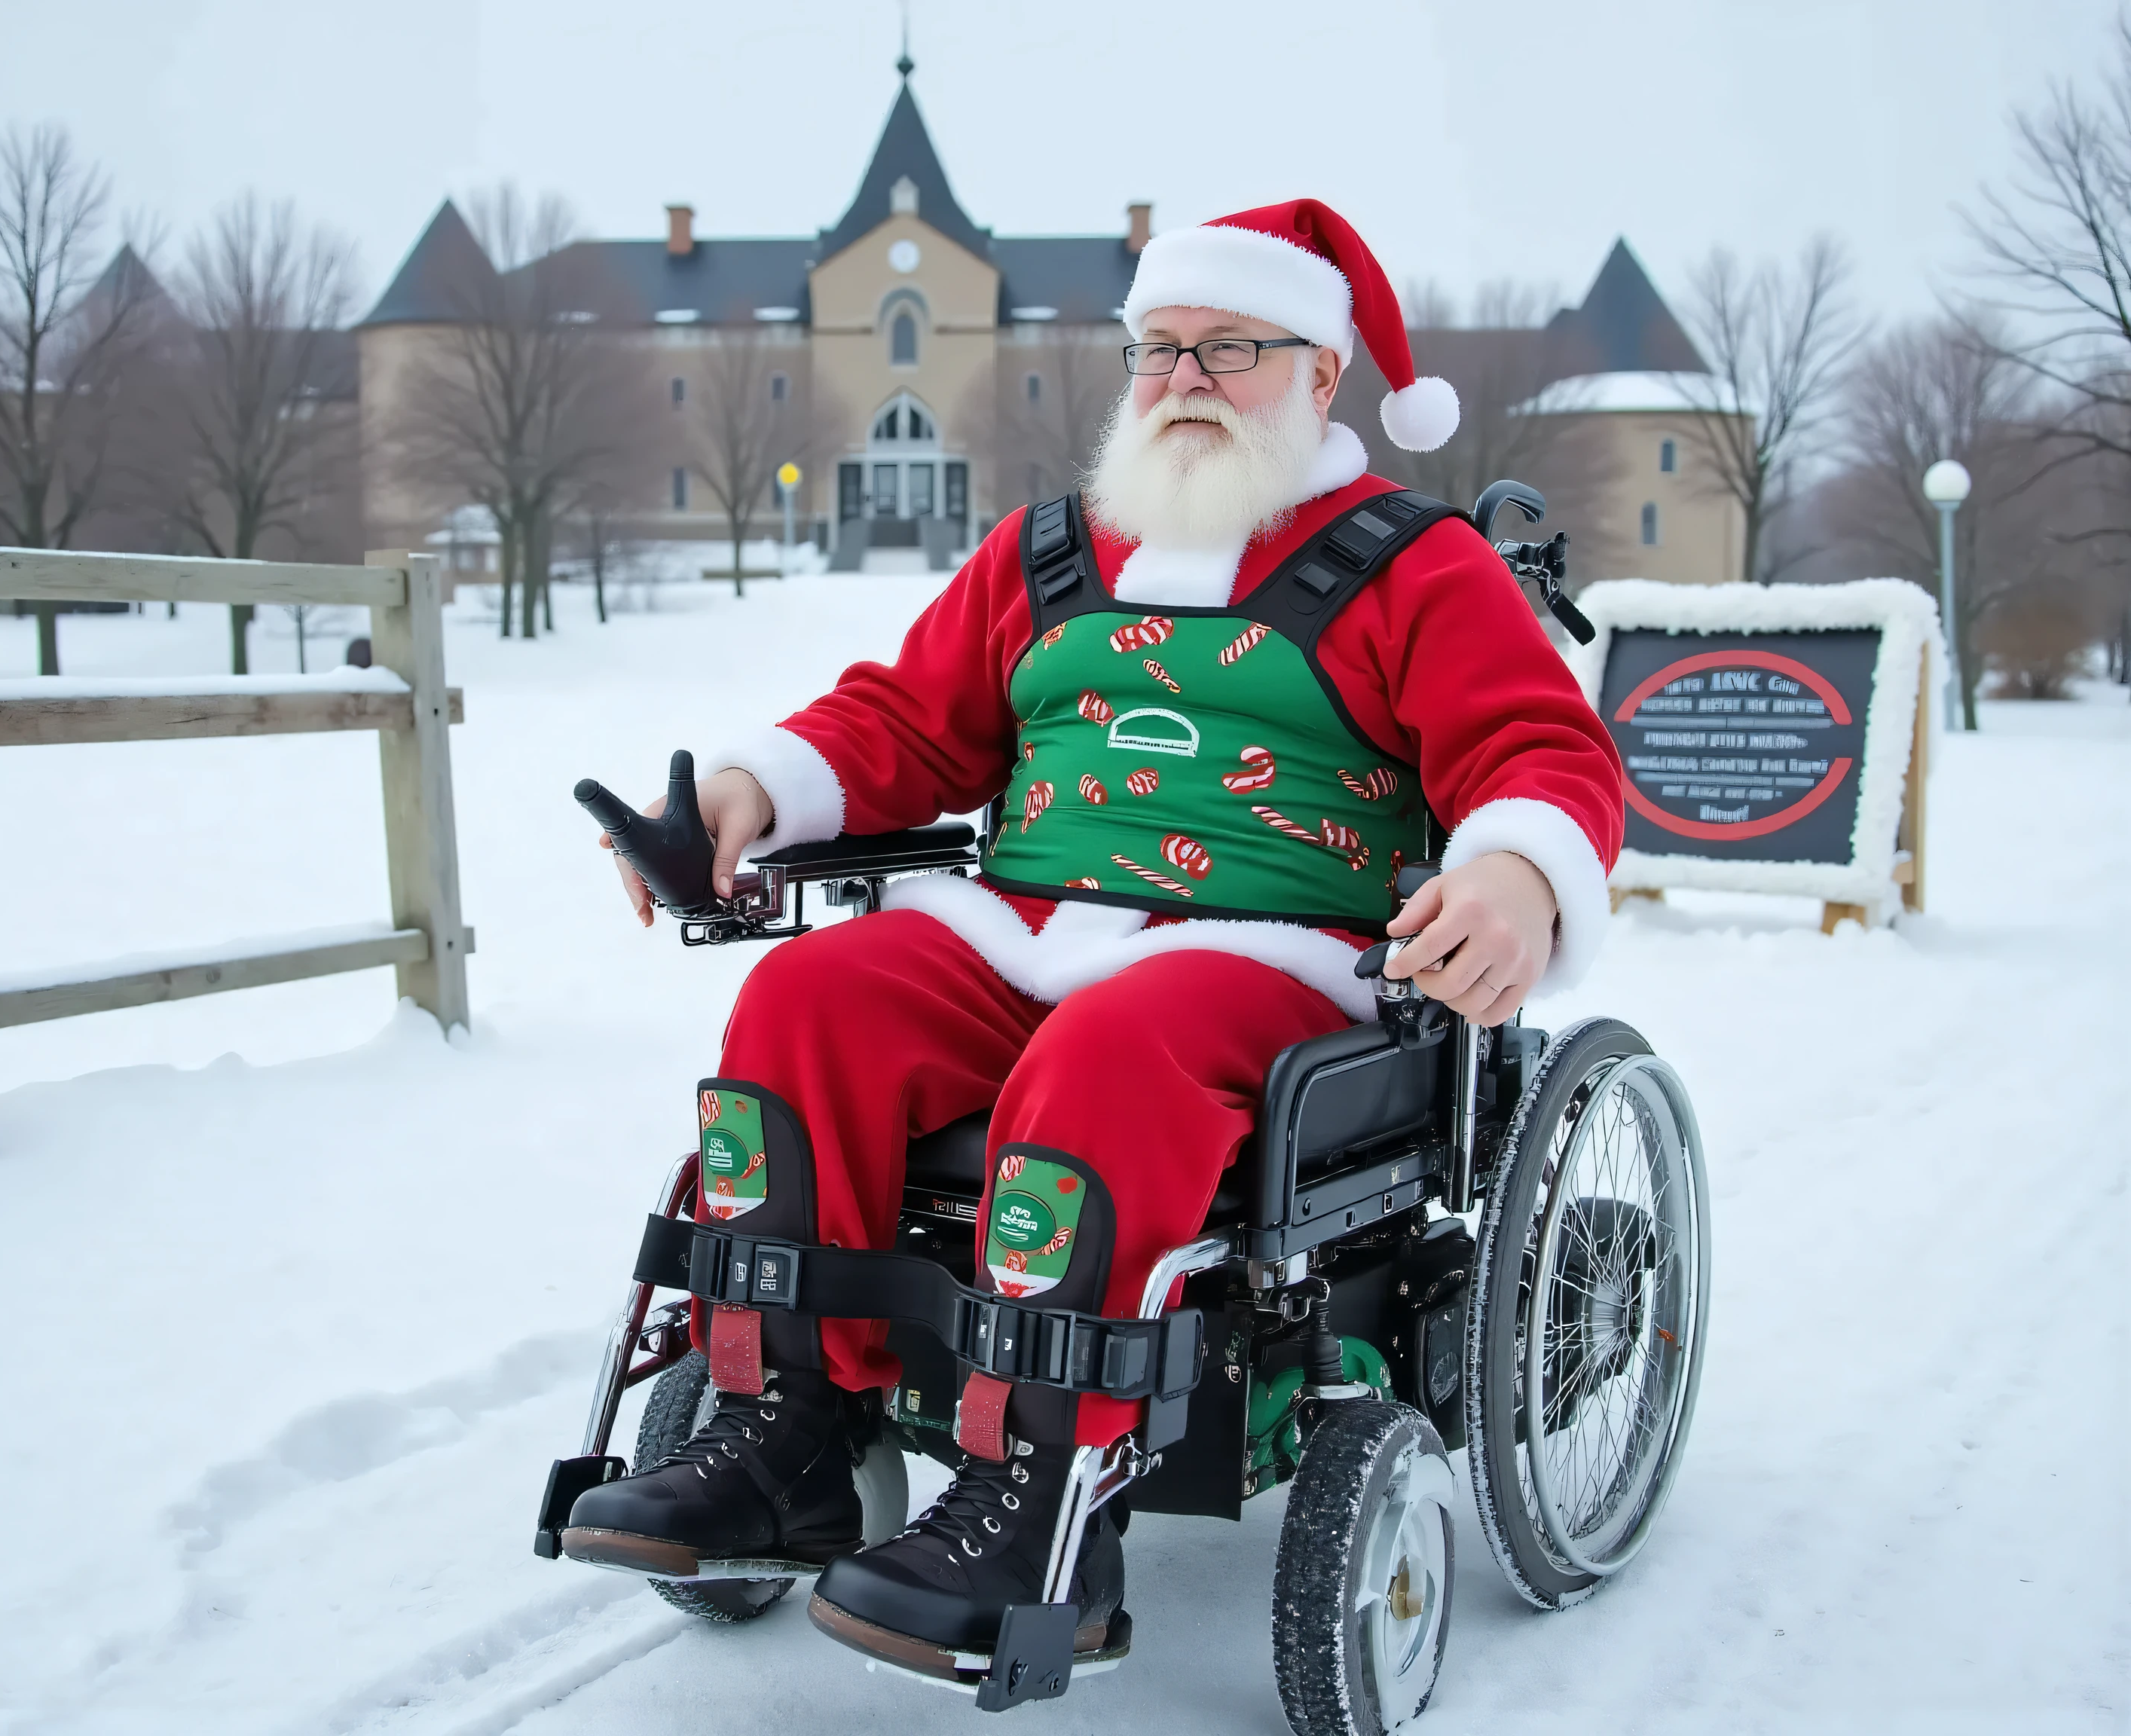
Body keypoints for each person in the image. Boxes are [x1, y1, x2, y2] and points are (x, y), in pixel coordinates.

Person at [563, 200, 1624, 1676]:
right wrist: (753, 793)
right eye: (1161, 351)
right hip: (1030, 923)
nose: (1185, 380)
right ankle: (784, 1430)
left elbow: (1538, 748)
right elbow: (905, 721)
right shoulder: (1049, 551)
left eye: (1230, 350)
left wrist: (1517, 874)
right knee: (813, 996)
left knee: (1111, 1051)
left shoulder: (1412, 566)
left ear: (1323, 375)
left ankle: (1039, 1494)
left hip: (1276, 954)